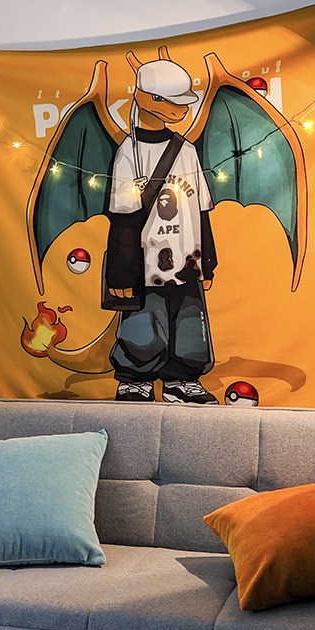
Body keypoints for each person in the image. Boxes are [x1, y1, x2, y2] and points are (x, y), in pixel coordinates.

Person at [105, 48, 218, 404]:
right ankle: (135, 378)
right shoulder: (127, 153)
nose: (181, 110)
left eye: (182, 103)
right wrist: (122, 273)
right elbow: (123, 217)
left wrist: (208, 261)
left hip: (186, 259)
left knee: (189, 320)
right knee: (142, 321)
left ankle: (182, 379)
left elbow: (201, 209)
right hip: (144, 262)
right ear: (145, 98)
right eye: (172, 102)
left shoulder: (187, 151)